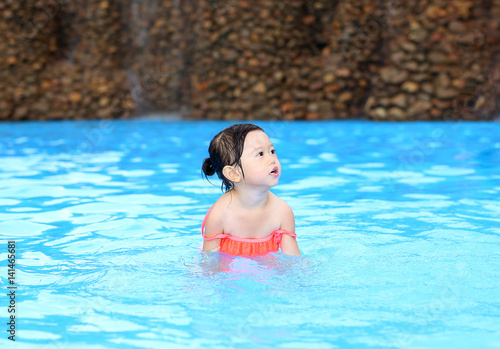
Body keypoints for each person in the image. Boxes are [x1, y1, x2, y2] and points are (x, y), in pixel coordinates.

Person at [201, 123, 301, 257]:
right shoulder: (219, 215)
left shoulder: (282, 212)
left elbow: (293, 260)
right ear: (234, 173)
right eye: (260, 154)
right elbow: (209, 263)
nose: (272, 159)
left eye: (272, 151)